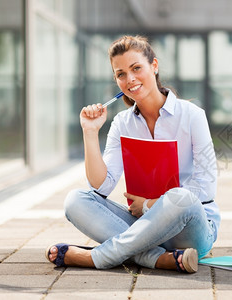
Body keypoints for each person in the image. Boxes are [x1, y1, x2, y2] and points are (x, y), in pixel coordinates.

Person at [45, 35, 220, 273]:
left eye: (136, 68)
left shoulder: (192, 115)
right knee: (75, 200)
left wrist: (149, 205)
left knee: (181, 197)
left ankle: (96, 258)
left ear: (154, 66)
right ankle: (160, 259)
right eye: (121, 74)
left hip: (190, 229)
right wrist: (90, 132)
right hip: (144, 227)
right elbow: (101, 187)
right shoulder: (122, 123)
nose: (130, 79)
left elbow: (205, 188)